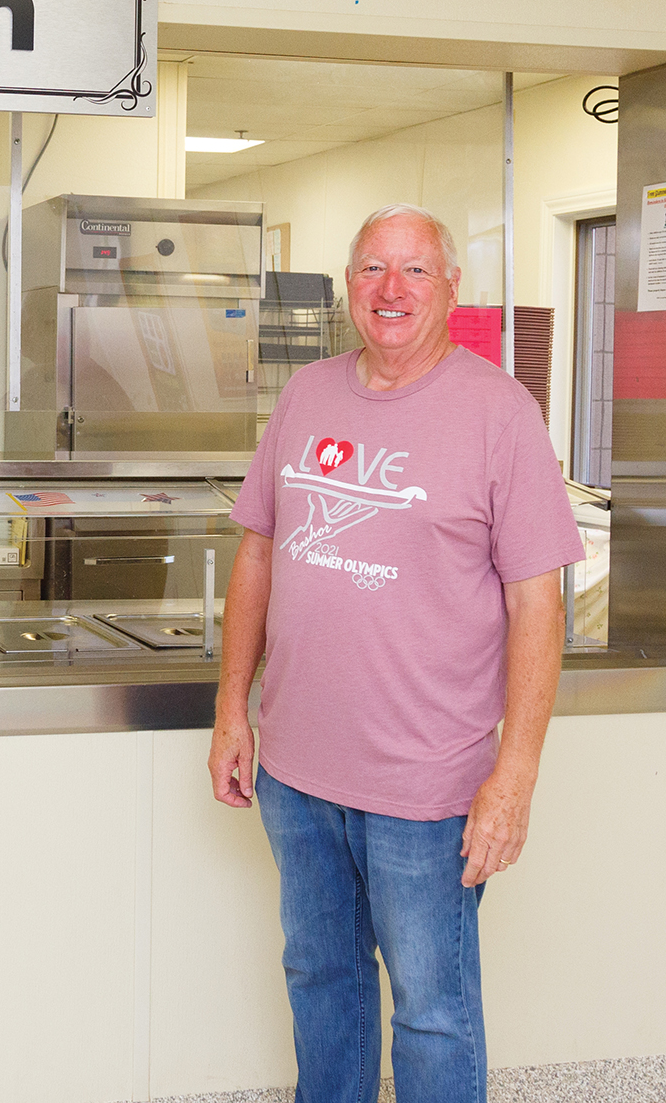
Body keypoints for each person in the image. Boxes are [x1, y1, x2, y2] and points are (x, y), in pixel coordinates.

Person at [209, 204, 582, 1103]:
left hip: (426, 784)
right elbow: (258, 548)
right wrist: (232, 710)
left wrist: (515, 774)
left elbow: (538, 600)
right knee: (320, 982)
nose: (391, 289)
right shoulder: (308, 393)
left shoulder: (500, 413)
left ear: (453, 286)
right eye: (373, 268)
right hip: (297, 771)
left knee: (432, 1008)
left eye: (415, 269)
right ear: (349, 286)